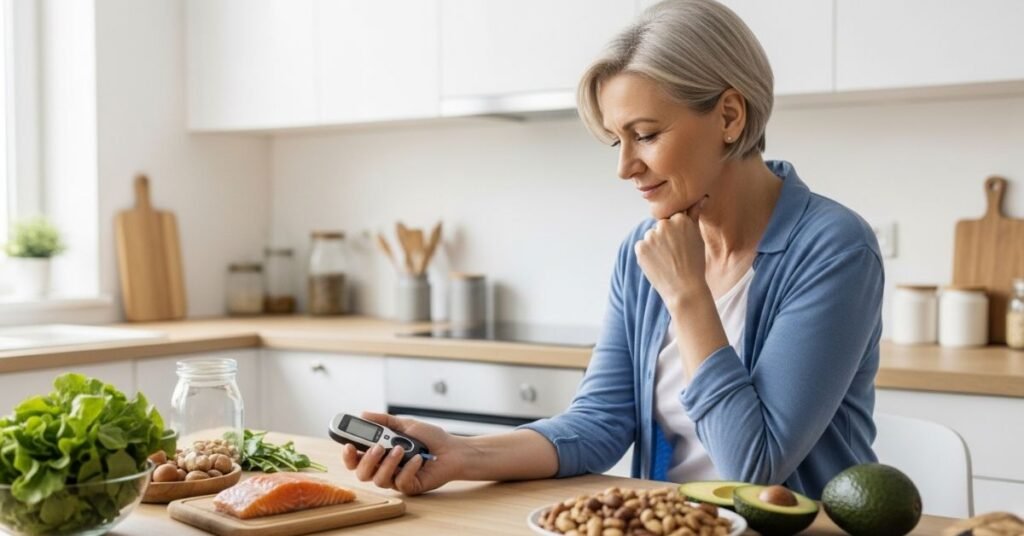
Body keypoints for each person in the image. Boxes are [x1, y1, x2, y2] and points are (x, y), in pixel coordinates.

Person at [341, 0, 882, 499]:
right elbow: (600, 422)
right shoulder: (643, 250)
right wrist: (462, 453)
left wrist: (689, 294)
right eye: (614, 140)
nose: (624, 167)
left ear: (729, 117)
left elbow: (754, 464)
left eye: (645, 135)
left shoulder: (833, 249)